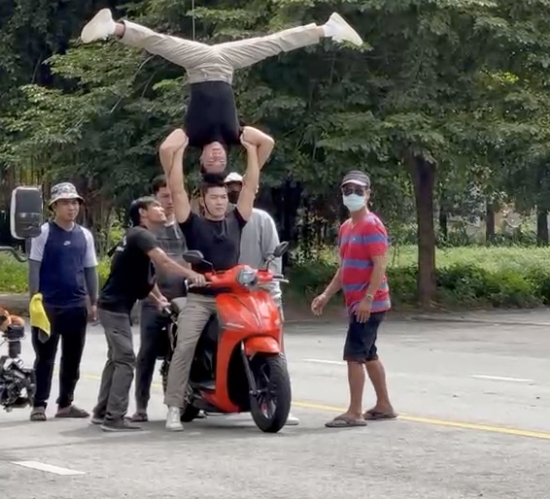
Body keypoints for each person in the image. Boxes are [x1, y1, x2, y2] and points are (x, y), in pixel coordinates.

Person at [81, 8, 363, 176]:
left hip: (199, 64)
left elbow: (166, 149)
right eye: (222, 161)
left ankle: (113, 27)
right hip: (227, 63)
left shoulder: (190, 136)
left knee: (159, 42)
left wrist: (173, 177)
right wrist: (252, 175)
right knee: (272, 43)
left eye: (210, 162)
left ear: (201, 160)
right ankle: (328, 28)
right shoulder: (235, 135)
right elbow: (267, 143)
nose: (216, 157)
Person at [163, 129, 260, 432]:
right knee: (185, 346)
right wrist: (179, 153)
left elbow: (251, 186)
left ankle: (271, 396)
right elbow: (177, 190)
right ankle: (174, 406)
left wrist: (251, 150)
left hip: (234, 296)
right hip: (201, 298)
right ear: (203, 201)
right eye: (214, 198)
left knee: (260, 332)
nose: (219, 202)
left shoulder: (237, 220)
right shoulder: (192, 224)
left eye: (223, 197)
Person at [93, 196, 207, 432]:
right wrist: (191, 274)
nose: (161, 208)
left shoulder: (136, 237)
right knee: (126, 359)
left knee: (115, 359)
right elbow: (163, 262)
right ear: (143, 213)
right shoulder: (141, 235)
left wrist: (158, 299)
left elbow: (142, 278)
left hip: (113, 306)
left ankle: (101, 411)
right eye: (155, 206)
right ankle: (114, 418)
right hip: (114, 308)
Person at [311, 170, 396, 428]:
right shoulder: (347, 227)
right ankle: (384, 405)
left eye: (359, 191)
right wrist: (326, 295)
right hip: (358, 302)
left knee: (354, 356)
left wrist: (368, 299)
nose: (353, 195)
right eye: (348, 190)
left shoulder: (372, 225)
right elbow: (344, 268)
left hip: (368, 304)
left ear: (368, 194)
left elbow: (380, 264)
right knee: (368, 354)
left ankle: (354, 412)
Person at [224, 172, 299, 427]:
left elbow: (273, 258)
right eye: (229, 187)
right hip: (228, 294)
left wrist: (266, 282)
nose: (235, 191)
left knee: (277, 349)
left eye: (239, 186)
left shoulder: (262, 219)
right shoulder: (219, 220)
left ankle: (281, 404)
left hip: (262, 295)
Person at [28, 183, 99, 422]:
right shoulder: (43, 233)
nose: (71, 207)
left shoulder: (85, 235)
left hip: (76, 304)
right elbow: (34, 267)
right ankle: (39, 404)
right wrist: (35, 299)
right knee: (45, 357)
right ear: (54, 206)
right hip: (48, 305)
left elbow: (90, 269)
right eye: (66, 203)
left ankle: (65, 403)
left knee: (72, 357)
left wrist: (93, 301)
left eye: (75, 202)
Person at [129, 177, 187, 424]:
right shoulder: (148, 230)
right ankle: (141, 406)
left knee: (187, 350)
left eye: (173, 196)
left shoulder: (186, 225)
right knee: (147, 352)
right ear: (154, 198)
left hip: (184, 299)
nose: (170, 202)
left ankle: (189, 401)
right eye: (164, 197)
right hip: (153, 300)